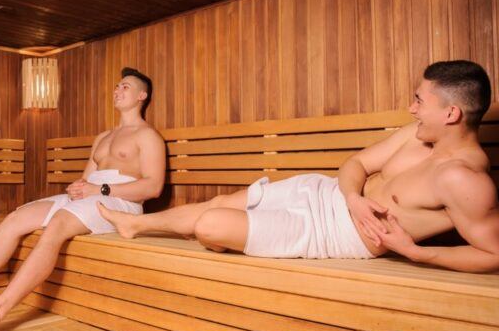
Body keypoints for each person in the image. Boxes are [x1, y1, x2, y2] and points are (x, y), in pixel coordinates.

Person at [100, 60, 499, 273]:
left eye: (420, 101)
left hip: (331, 234)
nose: (411, 108)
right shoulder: (417, 134)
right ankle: (135, 224)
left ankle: (221, 235)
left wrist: (417, 254)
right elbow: (356, 162)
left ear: (450, 113)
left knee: (211, 225)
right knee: (222, 199)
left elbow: (493, 253)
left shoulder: (463, 179)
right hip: (323, 192)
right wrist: (352, 197)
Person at [0, 67, 166, 331]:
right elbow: (86, 179)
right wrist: (79, 188)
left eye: (125, 86)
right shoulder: (103, 138)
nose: (117, 90)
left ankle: (0, 307)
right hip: (93, 195)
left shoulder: (148, 136)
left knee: (57, 224)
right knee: (16, 219)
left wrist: (99, 190)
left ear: (142, 96)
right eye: (117, 86)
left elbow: (153, 186)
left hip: (120, 202)